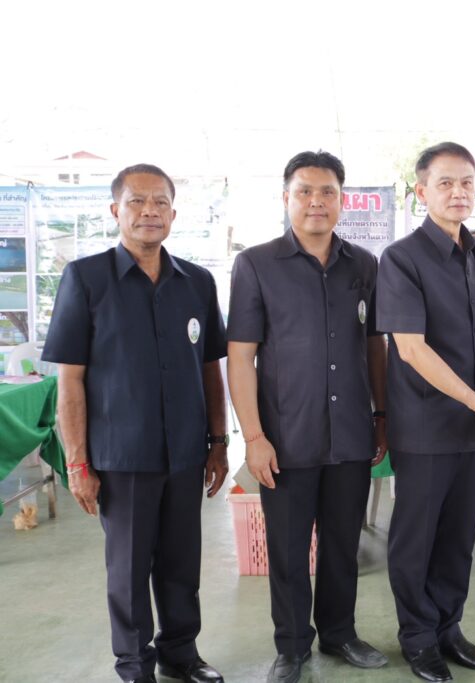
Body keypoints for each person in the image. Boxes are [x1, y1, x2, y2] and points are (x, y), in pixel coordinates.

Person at [42, 164, 227, 683]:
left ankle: (180, 654)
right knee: (127, 569)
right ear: (115, 210)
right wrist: (77, 462)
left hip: (186, 453)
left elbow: (210, 369)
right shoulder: (86, 279)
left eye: (160, 202)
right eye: (137, 201)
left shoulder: (197, 282)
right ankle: (133, 663)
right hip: (122, 456)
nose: (150, 211)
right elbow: (70, 381)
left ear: (173, 212)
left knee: (181, 562)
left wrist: (218, 442)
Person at [226, 151, 388, 683]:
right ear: (286, 198)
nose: (316, 202)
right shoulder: (256, 265)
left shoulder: (363, 264)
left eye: (327, 192)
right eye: (305, 191)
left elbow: (375, 346)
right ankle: (292, 646)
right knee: (289, 549)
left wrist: (381, 415)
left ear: (343, 200)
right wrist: (253, 437)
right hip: (286, 438)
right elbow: (241, 357)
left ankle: (340, 633)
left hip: (351, 436)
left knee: (343, 545)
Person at [376, 142, 475, 683]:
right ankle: (417, 637)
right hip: (426, 425)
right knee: (417, 538)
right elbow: (411, 349)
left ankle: (447, 628)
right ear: (422, 192)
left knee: (459, 537)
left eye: (467, 183)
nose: (459, 193)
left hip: (473, 427)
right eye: (445, 183)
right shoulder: (402, 259)